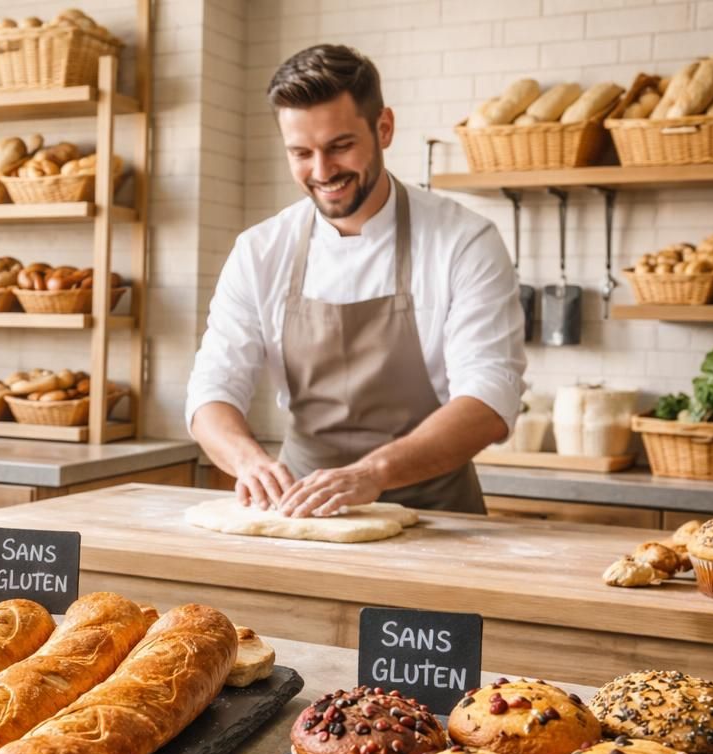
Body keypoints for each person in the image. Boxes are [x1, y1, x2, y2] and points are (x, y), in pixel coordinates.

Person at [186, 44, 526, 516]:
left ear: (383, 128)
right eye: (301, 153)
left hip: (439, 517)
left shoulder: (464, 241)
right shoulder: (260, 250)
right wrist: (249, 463)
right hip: (299, 513)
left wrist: (373, 474)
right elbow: (212, 391)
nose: (322, 172)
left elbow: (490, 397)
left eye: (340, 146)